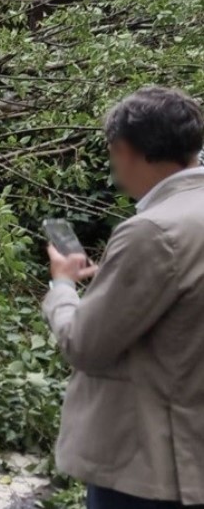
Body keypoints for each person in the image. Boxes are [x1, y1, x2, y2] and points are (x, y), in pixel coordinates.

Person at [44, 87, 204, 509]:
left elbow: (85, 344)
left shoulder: (153, 231)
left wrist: (63, 286)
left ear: (124, 149)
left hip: (149, 464)